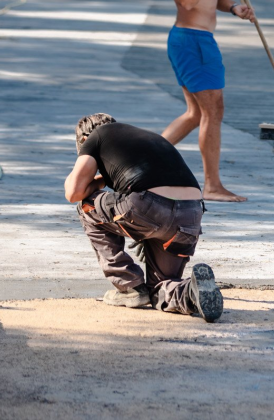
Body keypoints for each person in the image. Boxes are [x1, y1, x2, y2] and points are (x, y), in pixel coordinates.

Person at [64, 113, 224, 322]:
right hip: (190, 215)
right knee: (160, 289)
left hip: (149, 208)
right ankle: (192, 292)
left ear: (84, 141)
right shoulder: (146, 138)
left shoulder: (96, 136)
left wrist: (98, 181)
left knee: (86, 206)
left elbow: (73, 192)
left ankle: (129, 286)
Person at [161, 0, 255, 202]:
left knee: (195, 114)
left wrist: (234, 8)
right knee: (213, 111)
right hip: (190, 41)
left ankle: (141, 158)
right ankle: (212, 186)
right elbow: (187, 1)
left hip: (203, 40)